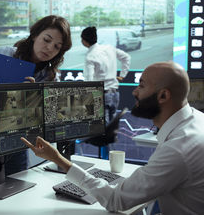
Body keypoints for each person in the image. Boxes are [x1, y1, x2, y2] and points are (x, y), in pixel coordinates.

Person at [22, 61, 204, 214]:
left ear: (163, 95)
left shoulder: (177, 149)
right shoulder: (196, 120)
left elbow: (116, 201)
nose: (134, 92)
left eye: (141, 85)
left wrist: (58, 159)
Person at [0, 15, 72, 186]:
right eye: (46, 40)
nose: (49, 48)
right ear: (34, 35)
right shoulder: (7, 55)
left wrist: (32, 99)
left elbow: (48, 119)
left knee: (17, 190)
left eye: (57, 47)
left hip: (20, 141)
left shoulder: (49, 76)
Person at [81, 26, 131, 158]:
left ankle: (106, 162)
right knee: (110, 132)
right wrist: (123, 74)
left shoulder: (90, 56)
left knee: (104, 135)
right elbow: (126, 57)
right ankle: (110, 160)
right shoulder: (109, 48)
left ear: (84, 41)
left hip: (102, 96)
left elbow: (89, 82)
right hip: (115, 94)